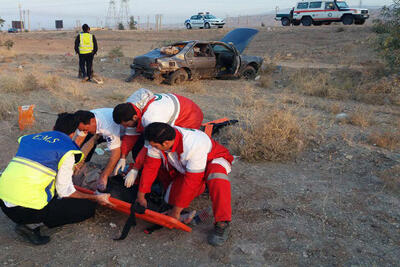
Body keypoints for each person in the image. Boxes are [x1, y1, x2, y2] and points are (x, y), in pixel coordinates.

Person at [0, 113, 112, 245]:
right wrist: (95, 198)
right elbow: (66, 192)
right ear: (72, 134)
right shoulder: (67, 151)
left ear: (54, 127)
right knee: (86, 208)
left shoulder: (30, 138)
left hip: (4, 200)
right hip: (24, 211)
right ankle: (30, 226)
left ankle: (28, 217)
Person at [136, 122, 233, 246]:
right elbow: (150, 168)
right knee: (170, 199)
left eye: (154, 145)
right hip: (189, 169)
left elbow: (191, 181)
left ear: (165, 144)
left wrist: (176, 212)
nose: (151, 147)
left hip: (213, 160)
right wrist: (141, 195)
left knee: (217, 176)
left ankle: (222, 222)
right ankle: (203, 190)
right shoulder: (158, 140)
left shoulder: (193, 145)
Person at [112, 88, 204, 188]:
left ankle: (162, 180)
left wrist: (135, 168)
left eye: (126, 124)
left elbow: (148, 147)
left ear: (134, 117)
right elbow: (130, 135)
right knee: (140, 145)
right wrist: (123, 157)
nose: (125, 127)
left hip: (189, 116)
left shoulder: (151, 117)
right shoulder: (130, 107)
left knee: (163, 149)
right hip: (177, 105)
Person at [74, 109, 122, 192]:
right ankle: (80, 168)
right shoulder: (83, 120)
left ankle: (111, 177)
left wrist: (104, 176)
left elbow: (116, 153)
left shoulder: (108, 128)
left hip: (121, 132)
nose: (84, 132)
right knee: (84, 145)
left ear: (92, 121)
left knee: (117, 161)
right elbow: (78, 143)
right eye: (82, 130)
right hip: (99, 128)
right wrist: (72, 162)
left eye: (85, 129)